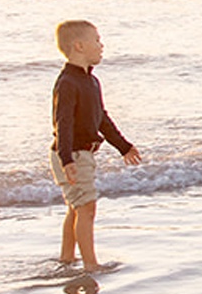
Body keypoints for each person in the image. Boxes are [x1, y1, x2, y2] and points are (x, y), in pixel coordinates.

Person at [51, 19, 142, 272]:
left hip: (82, 154)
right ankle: (91, 264)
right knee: (86, 207)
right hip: (72, 154)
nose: (101, 45)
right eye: (97, 40)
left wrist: (123, 146)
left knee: (76, 207)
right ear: (79, 46)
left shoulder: (91, 81)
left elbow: (101, 117)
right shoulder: (68, 82)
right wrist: (67, 159)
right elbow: (63, 123)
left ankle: (67, 259)